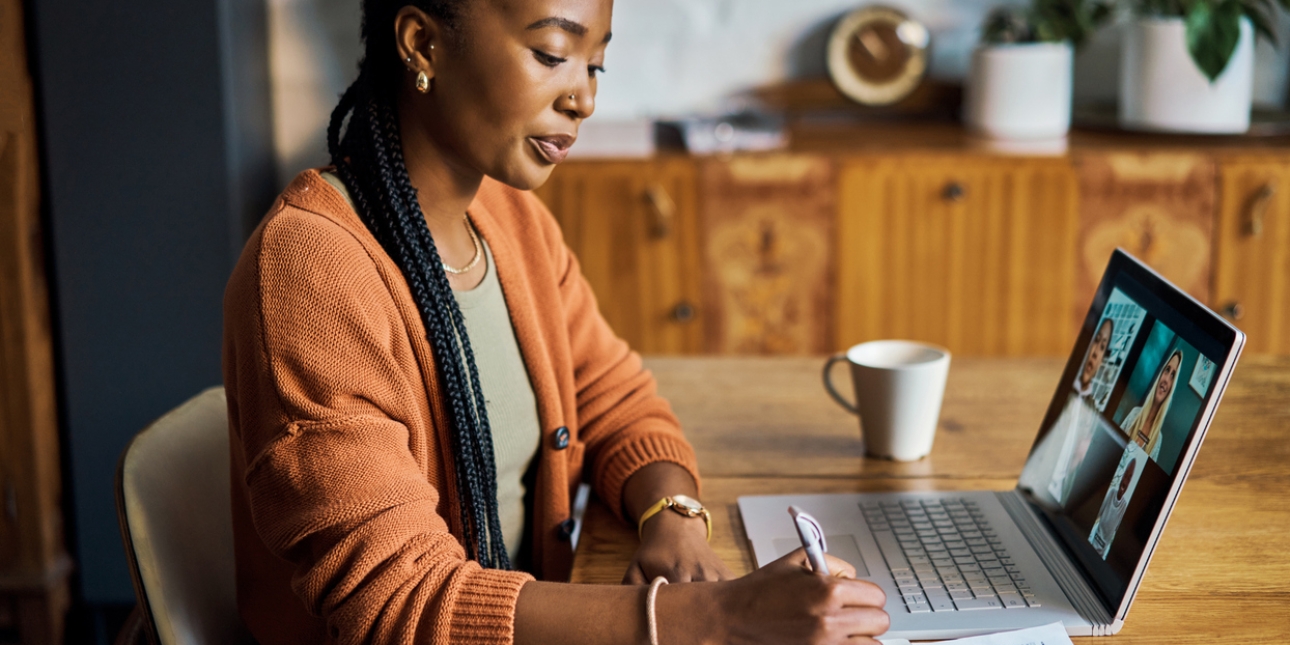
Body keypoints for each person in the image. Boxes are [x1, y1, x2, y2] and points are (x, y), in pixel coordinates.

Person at [222, 1, 890, 644]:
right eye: (552, 54)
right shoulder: (311, 267)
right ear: (423, 45)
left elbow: (617, 399)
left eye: (594, 66)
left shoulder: (512, 221)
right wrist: (713, 617)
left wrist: (673, 518)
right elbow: (398, 601)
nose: (584, 100)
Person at [1045, 318, 1114, 505]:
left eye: (1102, 347)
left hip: (1058, 500)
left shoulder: (1092, 411)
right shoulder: (1064, 388)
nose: (1095, 353)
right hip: (1037, 488)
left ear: (1102, 360)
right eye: (1096, 341)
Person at [1121, 350, 1182, 461]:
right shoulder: (1134, 413)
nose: (1166, 379)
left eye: (1173, 375)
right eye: (1167, 370)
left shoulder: (1158, 440)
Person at [1089, 452, 1139, 558]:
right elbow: (1096, 515)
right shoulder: (1111, 492)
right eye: (1125, 475)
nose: (1125, 481)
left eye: (1129, 478)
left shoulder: (1125, 508)